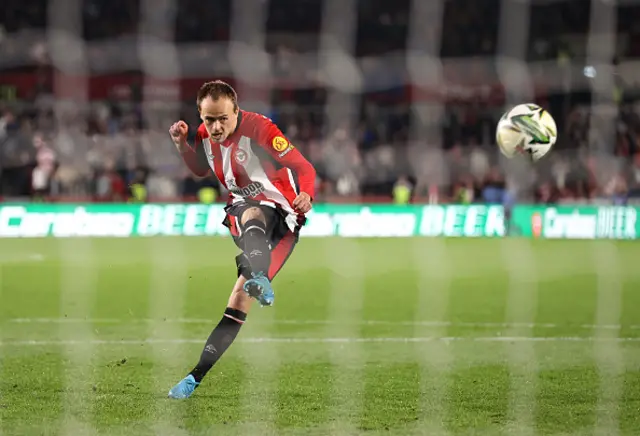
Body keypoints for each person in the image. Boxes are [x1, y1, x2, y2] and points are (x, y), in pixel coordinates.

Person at [167, 80, 316, 399]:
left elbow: (303, 166)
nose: (216, 126)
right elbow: (199, 169)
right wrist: (182, 144)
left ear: (236, 111)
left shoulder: (260, 129)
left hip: (284, 211)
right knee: (237, 304)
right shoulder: (203, 134)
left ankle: (258, 272)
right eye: (209, 119)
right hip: (250, 216)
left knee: (251, 211)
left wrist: (307, 193)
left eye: (223, 118)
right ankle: (195, 377)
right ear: (200, 115)